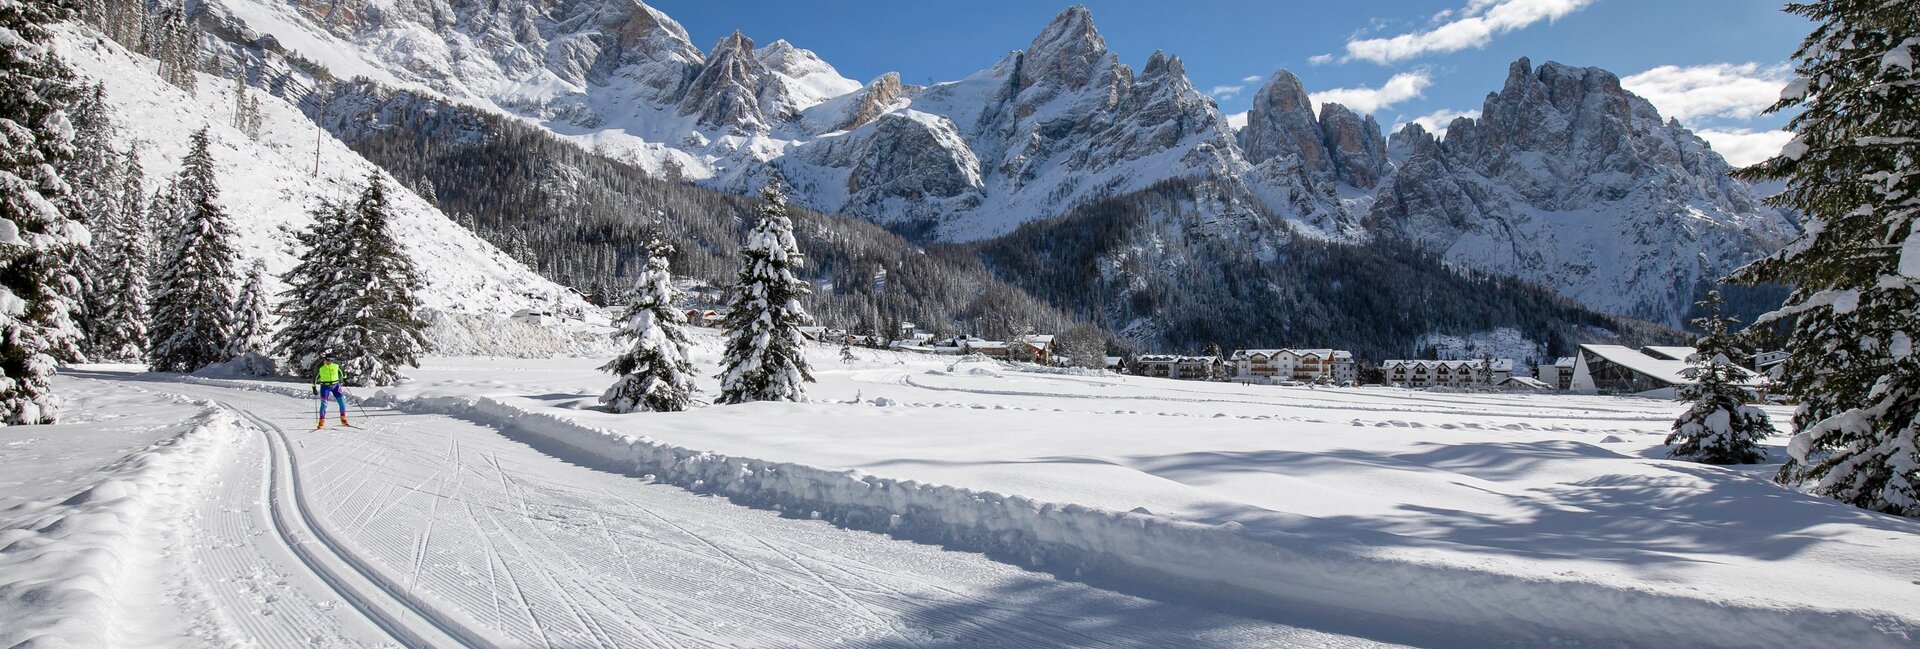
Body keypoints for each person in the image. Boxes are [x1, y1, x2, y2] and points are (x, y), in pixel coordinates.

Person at [313, 355, 348, 428]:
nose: (329, 362)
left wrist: (344, 379)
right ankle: (321, 421)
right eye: (328, 360)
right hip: (325, 386)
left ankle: (343, 418)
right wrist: (314, 387)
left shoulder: (336, 364)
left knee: (342, 402)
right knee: (324, 404)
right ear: (325, 359)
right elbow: (315, 377)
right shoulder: (320, 366)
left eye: (331, 361)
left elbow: (342, 371)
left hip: (336, 386)